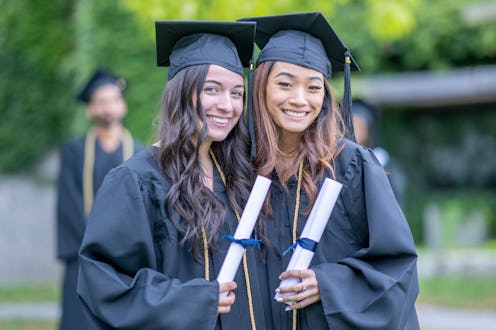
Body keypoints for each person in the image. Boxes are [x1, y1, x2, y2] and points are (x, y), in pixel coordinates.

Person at [77, 21, 270, 329]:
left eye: (237, 93)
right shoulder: (136, 179)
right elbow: (104, 283)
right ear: (181, 92)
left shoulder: (239, 176)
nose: (227, 105)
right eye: (212, 89)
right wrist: (194, 300)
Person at [239, 12, 419, 329]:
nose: (299, 99)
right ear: (260, 85)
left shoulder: (349, 164)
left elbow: (397, 265)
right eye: (285, 84)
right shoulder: (239, 164)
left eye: (313, 87)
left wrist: (327, 283)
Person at [56, 68, 142, 330]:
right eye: (101, 102)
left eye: (113, 100)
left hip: (125, 255)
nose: (108, 108)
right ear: (90, 110)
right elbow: (69, 205)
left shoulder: (139, 153)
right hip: (83, 253)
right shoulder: (74, 151)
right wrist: (93, 246)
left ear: (123, 105)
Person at [352, 98, 407, 208]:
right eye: (352, 124)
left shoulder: (381, 159)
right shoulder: (342, 157)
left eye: (359, 126)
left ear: (369, 130)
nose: (354, 130)